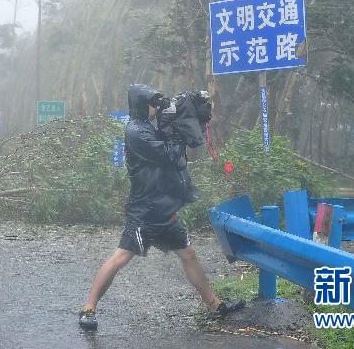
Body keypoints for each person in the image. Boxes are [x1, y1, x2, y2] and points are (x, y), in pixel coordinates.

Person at [78, 84, 245, 330]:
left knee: (188, 254)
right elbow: (169, 154)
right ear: (141, 105)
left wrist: (184, 117)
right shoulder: (136, 132)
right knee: (121, 257)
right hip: (144, 210)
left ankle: (214, 305)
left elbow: (171, 142)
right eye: (153, 103)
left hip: (164, 209)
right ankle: (88, 308)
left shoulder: (149, 127)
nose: (157, 107)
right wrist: (180, 133)